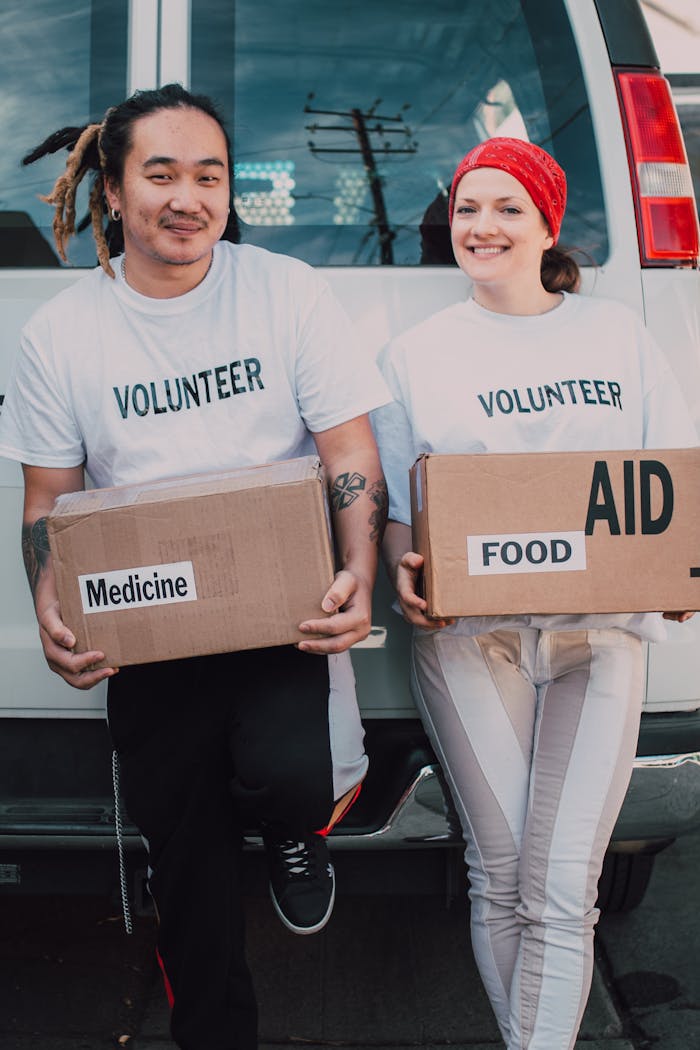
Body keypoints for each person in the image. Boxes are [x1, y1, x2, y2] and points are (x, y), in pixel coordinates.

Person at [0, 83, 390, 1050]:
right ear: (115, 191)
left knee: (293, 776)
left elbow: (349, 450)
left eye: (208, 175)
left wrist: (359, 575)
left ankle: (298, 828)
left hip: (280, 615)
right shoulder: (61, 335)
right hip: (150, 628)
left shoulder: (284, 290)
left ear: (229, 189)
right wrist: (52, 607)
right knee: (189, 875)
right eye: (161, 174)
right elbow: (48, 501)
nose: (188, 197)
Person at [371, 137, 698, 1050]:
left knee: (561, 884)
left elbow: (670, 482)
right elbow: (403, 509)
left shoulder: (616, 337)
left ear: (547, 224)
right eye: (468, 209)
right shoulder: (417, 354)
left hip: (602, 637)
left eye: (509, 208)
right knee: (503, 867)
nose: (484, 226)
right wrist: (405, 567)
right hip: (474, 640)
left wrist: (678, 571)